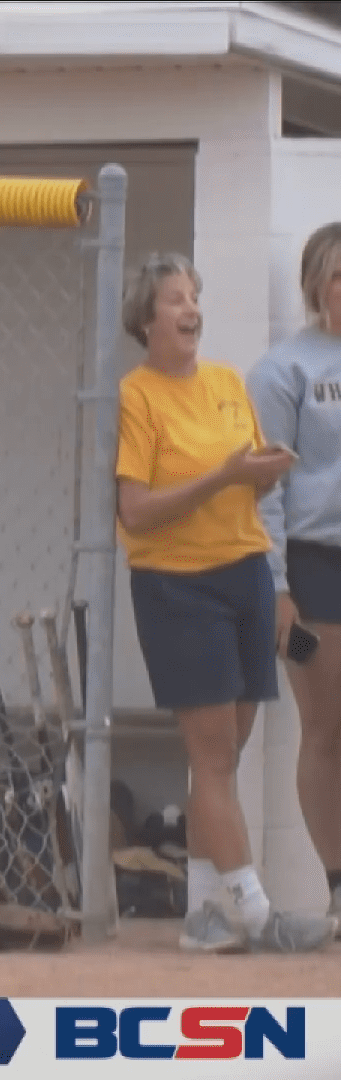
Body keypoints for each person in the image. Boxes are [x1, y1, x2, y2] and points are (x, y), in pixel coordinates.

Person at [114, 250, 336, 954]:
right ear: (146, 321)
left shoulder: (225, 382)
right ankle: (260, 912)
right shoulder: (139, 396)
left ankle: (206, 913)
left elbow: (248, 486)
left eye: (193, 296)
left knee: (225, 753)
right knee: (224, 753)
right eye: (175, 299)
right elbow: (139, 511)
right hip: (189, 583)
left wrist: (262, 475)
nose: (190, 309)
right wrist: (228, 477)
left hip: (241, 569)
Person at [250, 223, 341, 928]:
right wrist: (277, 586)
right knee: (327, 730)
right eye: (339, 276)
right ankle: (338, 890)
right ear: (317, 285)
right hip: (318, 564)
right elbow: (264, 491)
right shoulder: (286, 369)